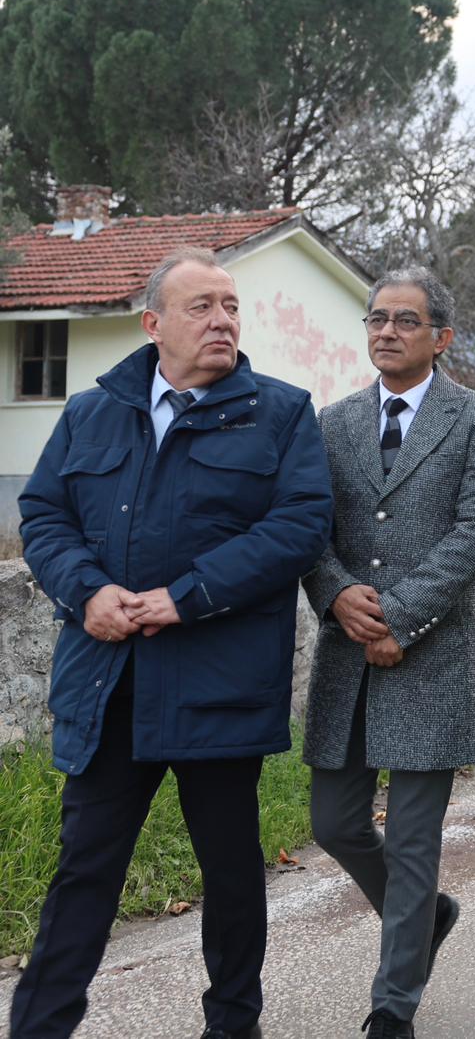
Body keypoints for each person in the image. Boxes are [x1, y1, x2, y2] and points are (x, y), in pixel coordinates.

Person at [11, 247, 334, 1039]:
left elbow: (299, 527)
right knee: (85, 869)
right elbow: (44, 514)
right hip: (109, 683)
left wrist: (185, 598)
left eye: (231, 306)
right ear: (153, 324)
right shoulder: (91, 412)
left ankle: (233, 1025)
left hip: (218, 685)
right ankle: (39, 1027)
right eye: (202, 306)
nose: (223, 320)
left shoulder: (282, 413)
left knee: (229, 872)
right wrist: (87, 591)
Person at [301, 267, 475, 1039]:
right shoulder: (332, 422)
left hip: (433, 656)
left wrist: (399, 616)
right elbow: (309, 528)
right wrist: (334, 593)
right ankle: (428, 916)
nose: (386, 331)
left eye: (406, 320)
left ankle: (393, 1007)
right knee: (335, 823)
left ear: (442, 337)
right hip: (347, 658)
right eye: (377, 318)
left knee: (416, 840)